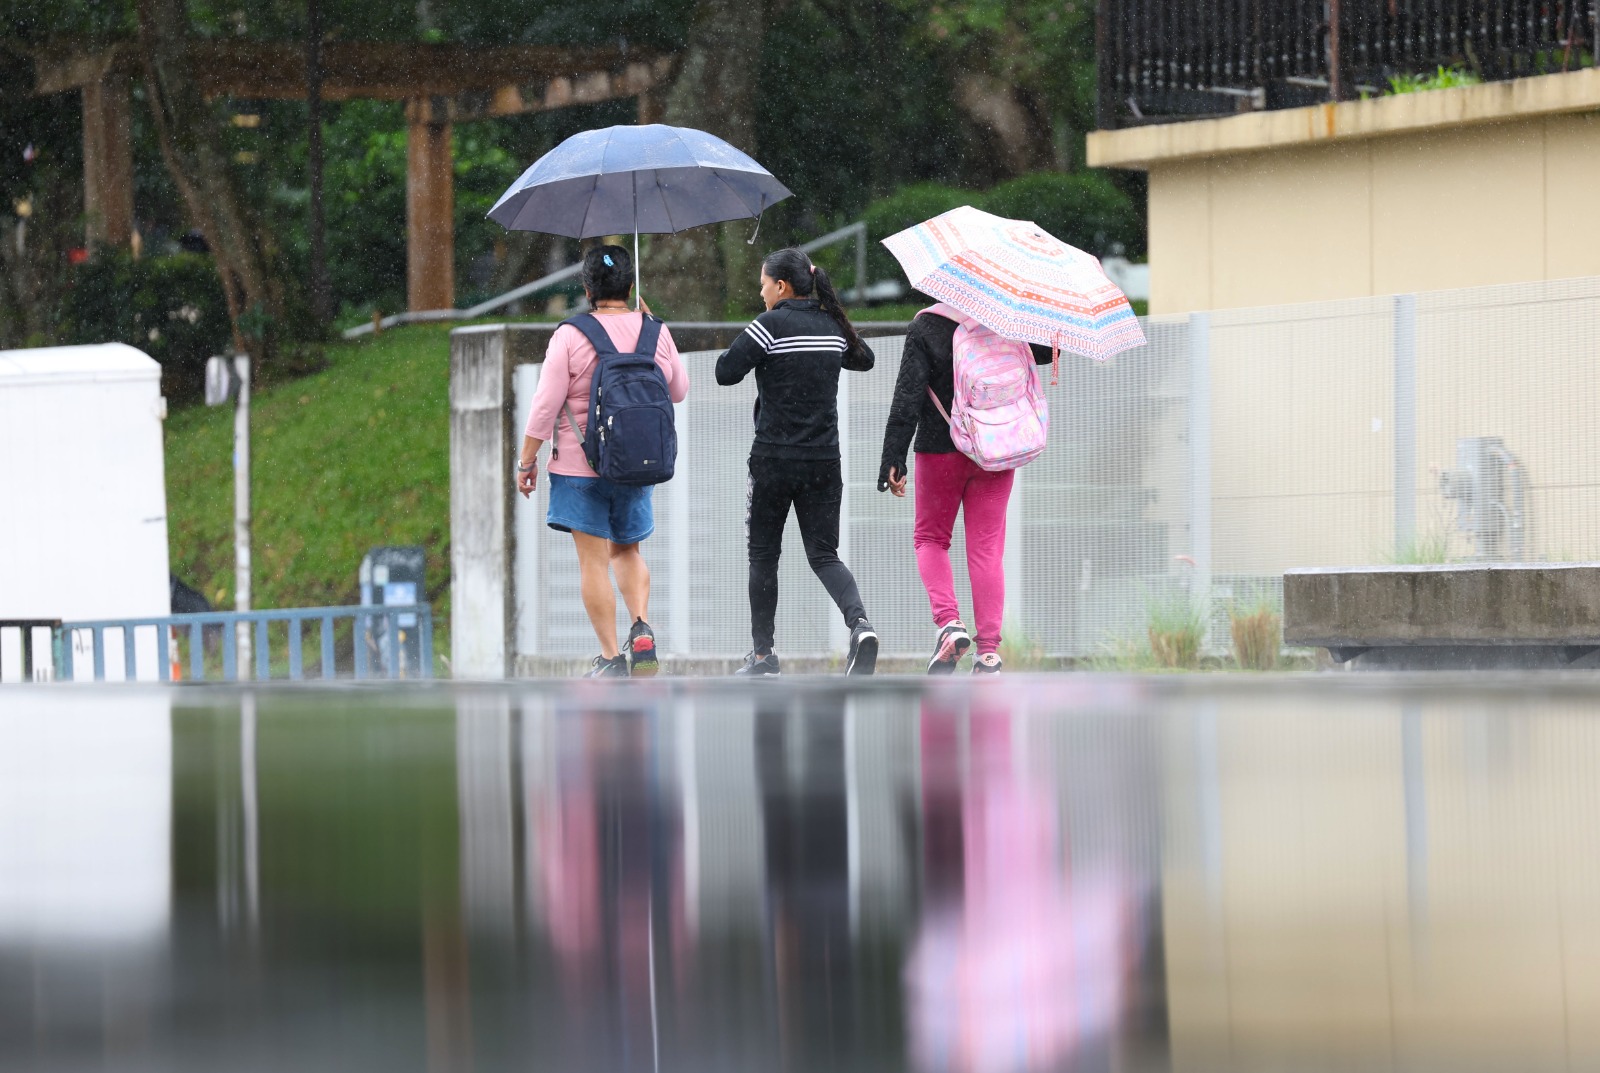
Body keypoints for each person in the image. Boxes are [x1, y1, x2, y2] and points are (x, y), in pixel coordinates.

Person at [517, 245, 689, 678]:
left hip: (580, 467)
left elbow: (545, 404)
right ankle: (640, 625)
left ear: (587, 289)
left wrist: (526, 461)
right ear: (630, 287)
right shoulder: (654, 329)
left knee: (593, 562)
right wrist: (654, 329)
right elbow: (679, 389)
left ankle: (611, 658)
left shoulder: (570, 335)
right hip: (635, 461)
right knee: (627, 550)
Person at [715, 248, 878, 677]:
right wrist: (832, 319)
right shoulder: (831, 327)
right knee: (824, 554)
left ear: (782, 286)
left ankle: (764, 656)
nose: (761, 292)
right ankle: (860, 625)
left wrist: (759, 343)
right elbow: (864, 359)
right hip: (823, 462)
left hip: (773, 461)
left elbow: (724, 372)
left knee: (763, 556)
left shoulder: (768, 325)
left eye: (764, 285)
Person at [878, 305, 1056, 674]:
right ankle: (988, 652)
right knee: (987, 550)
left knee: (930, 538)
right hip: (996, 448)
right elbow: (1044, 353)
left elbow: (907, 395)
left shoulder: (926, 326)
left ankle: (950, 624)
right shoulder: (1008, 319)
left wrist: (893, 456)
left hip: (940, 449)